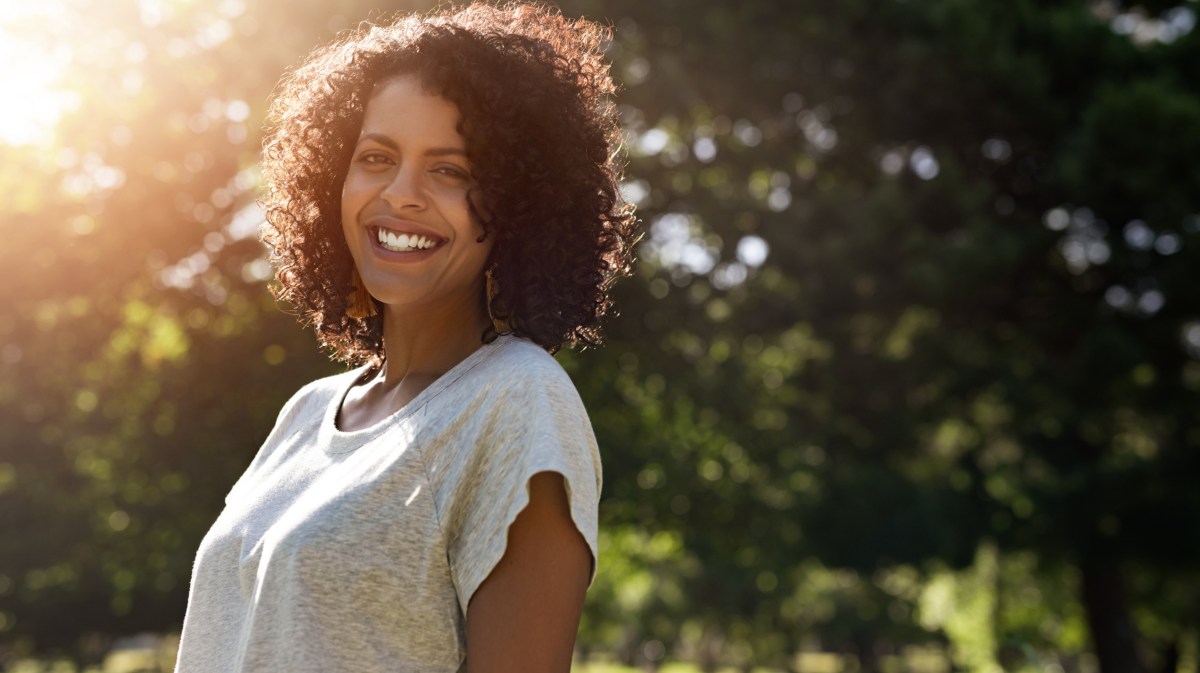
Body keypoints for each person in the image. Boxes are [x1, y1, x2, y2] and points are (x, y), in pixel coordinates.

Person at [173, 3, 638, 672]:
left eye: (449, 169)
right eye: (376, 157)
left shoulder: (519, 402)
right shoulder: (305, 413)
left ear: (517, 202)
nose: (402, 193)